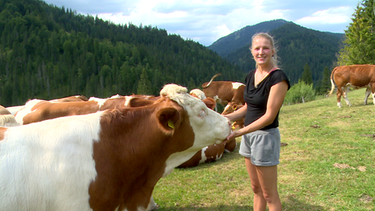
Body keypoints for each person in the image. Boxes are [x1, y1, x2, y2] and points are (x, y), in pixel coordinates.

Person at [224, 32, 290, 211]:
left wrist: (238, 132)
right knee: (256, 189)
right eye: (257, 48)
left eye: (265, 48)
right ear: (251, 51)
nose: (261, 52)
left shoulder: (278, 78)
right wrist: (225, 118)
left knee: (270, 194)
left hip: (265, 137)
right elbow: (249, 107)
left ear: (273, 51)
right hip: (248, 136)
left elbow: (269, 115)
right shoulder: (250, 75)